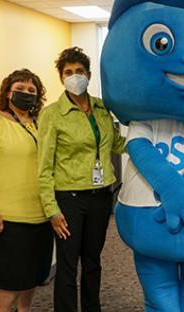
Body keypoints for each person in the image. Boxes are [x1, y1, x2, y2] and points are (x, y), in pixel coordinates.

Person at [37, 47, 126, 312]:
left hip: (100, 196)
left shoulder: (100, 108)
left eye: (79, 71)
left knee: (93, 261)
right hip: (69, 200)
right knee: (67, 265)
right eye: (68, 72)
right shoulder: (52, 114)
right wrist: (52, 210)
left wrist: (148, 143)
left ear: (88, 74)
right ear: (61, 77)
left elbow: (117, 143)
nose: (74, 76)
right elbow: (43, 167)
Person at [0, 69, 53, 312]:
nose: (26, 94)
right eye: (20, 88)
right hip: (4, 218)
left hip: (40, 215)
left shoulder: (38, 125)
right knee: (10, 279)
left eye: (32, 90)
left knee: (31, 275)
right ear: (7, 92)